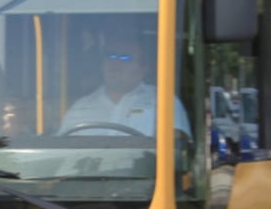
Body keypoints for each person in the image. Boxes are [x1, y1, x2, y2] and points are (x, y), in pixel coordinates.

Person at [58, 32, 190, 136]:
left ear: (143, 68)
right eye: (111, 56)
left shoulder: (164, 102)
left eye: (125, 58)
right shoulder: (81, 107)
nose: (115, 63)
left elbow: (177, 151)